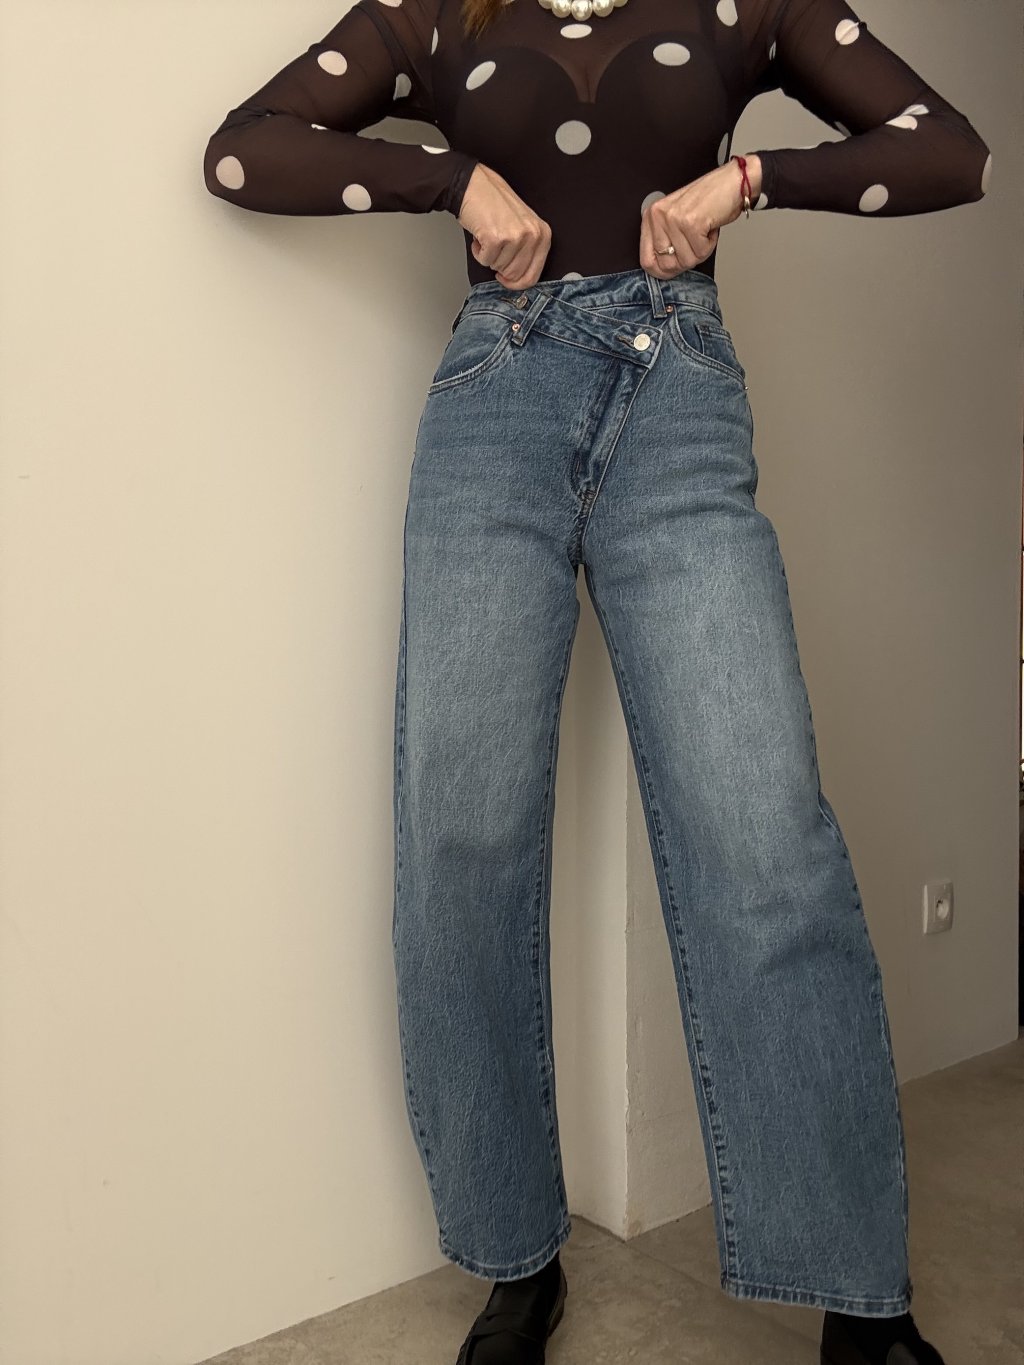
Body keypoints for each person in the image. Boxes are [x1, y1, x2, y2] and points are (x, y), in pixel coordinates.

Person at [203, 1, 990, 1361]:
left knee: (764, 836)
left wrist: (750, 179)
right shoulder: (436, 14)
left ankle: (861, 1297)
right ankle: (517, 1257)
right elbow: (241, 151)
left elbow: (949, 149)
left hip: (677, 397)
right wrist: (451, 179)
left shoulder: (747, 8)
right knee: (462, 833)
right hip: (491, 408)